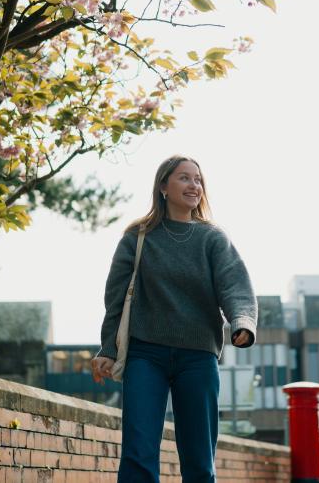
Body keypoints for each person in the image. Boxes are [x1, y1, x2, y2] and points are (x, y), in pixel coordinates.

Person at [92, 155, 258, 483]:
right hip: (145, 354)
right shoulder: (138, 237)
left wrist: (242, 321)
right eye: (184, 178)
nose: (194, 185)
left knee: (199, 459)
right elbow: (116, 299)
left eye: (198, 180)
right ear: (163, 186)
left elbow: (235, 285)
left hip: (197, 357)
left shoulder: (213, 239)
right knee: (138, 453)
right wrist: (108, 349)